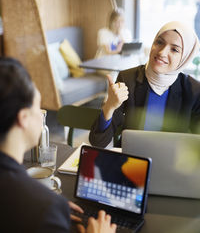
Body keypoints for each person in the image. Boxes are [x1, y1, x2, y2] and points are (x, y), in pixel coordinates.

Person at [0, 57, 116, 233]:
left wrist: (49, 210)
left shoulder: (44, 206)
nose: (41, 115)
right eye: (38, 106)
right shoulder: (44, 207)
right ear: (23, 118)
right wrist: (47, 209)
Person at [89, 21, 200, 148]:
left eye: (174, 49)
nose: (162, 52)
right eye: (159, 42)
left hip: (171, 164)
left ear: (185, 57)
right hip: (132, 160)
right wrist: (109, 106)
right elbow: (98, 142)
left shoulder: (194, 90)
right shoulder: (128, 79)